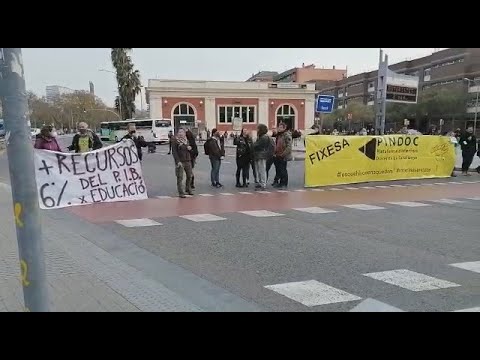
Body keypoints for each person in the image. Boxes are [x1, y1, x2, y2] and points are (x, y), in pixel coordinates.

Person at [172, 128, 194, 198]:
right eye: (179, 132)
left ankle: (188, 188)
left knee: (189, 176)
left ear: (184, 133)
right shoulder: (175, 141)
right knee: (180, 177)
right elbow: (174, 152)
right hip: (180, 161)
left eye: (182, 132)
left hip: (188, 160)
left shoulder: (186, 141)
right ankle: (181, 192)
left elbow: (191, 150)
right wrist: (177, 161)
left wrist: (190, 149)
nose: (180, 133)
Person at [253, 124, 273, 190]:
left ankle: (263, 184)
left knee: (262, 170)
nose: (257, 130)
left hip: (261, 155)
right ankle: (260, 182)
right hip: (258, 155)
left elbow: (257, 145)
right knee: (258, 170)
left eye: (258, 128)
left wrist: (253, 144)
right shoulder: (261, 136)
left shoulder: (264, 137)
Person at [273, 122, 293, 189]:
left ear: (284, 128)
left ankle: (284, 184)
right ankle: (281, 183)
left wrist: (283, 154)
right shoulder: (279, 135)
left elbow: (289, 147)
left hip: (283, 155)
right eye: (279, 127)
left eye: (281, 127)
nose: (279, 128)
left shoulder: (287, 135)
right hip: (278, 155)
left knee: (283, 170)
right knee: (279, 170)